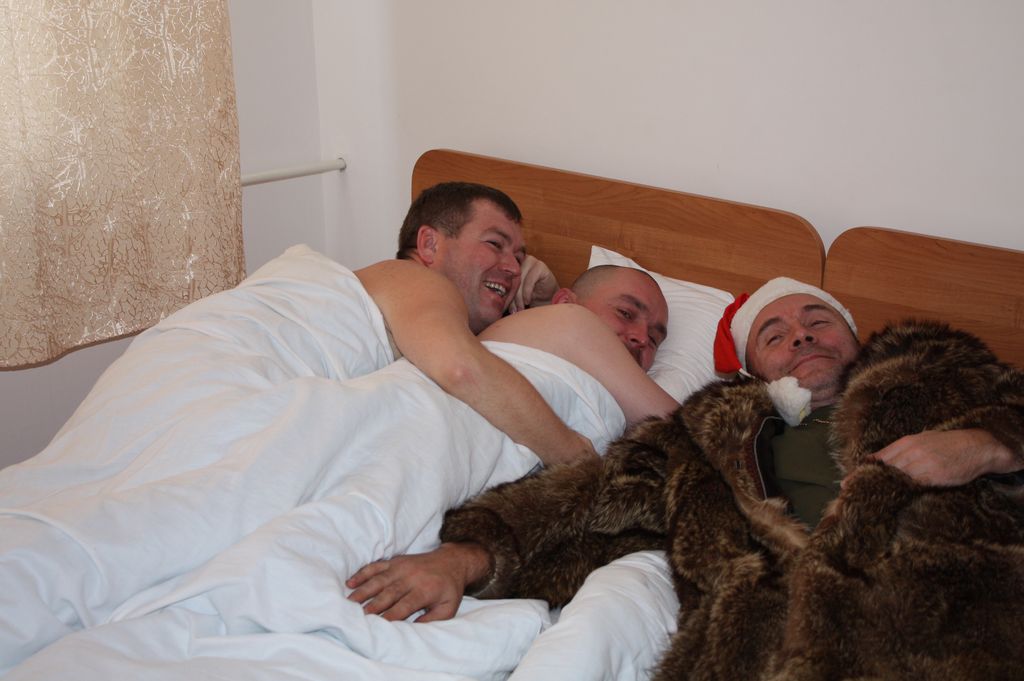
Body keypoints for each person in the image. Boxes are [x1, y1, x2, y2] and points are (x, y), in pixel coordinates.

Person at [0, 263, 677, 675]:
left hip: (441, 435)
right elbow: (677, 427)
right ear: (566, 302)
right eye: (629, 313)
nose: (640, 338)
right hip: (434, 423)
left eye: (657, 337)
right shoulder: (570, 331)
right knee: (315, 524)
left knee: (263, 531)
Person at [346, 276, 1024, 631]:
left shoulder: (942, 377)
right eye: (774, 335)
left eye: (817, 321)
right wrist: (464, 557)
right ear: (756, 371)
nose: (799, 337)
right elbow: (593, 498)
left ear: (855, 334)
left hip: (958, 615)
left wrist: (987, 444)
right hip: (770, 638)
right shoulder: (709, 436)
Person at [356, 181, 597, 467]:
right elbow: (463, 370)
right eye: (494, 244)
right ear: (429, 245)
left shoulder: (404, 308)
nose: (514, 268)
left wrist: (544, 304)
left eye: (519, 258)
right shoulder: (412, 278)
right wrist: (580, 458)